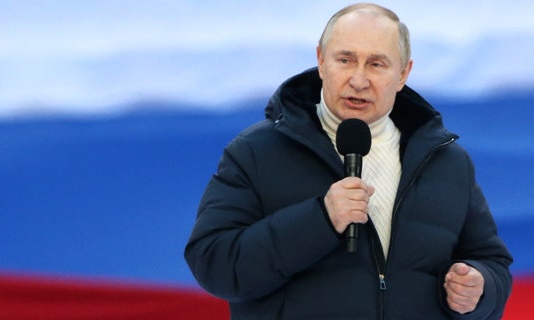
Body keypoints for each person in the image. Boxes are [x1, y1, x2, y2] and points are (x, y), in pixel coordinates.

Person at [185, 3, 512, 319]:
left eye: (376, 64)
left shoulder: (447, 162)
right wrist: (320, 219)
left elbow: (491, 261)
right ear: (321, 61)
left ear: (403, 74)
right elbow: (214, 264)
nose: (359, 79)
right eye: (346, 60)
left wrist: (480, 288)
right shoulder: (256, 152)